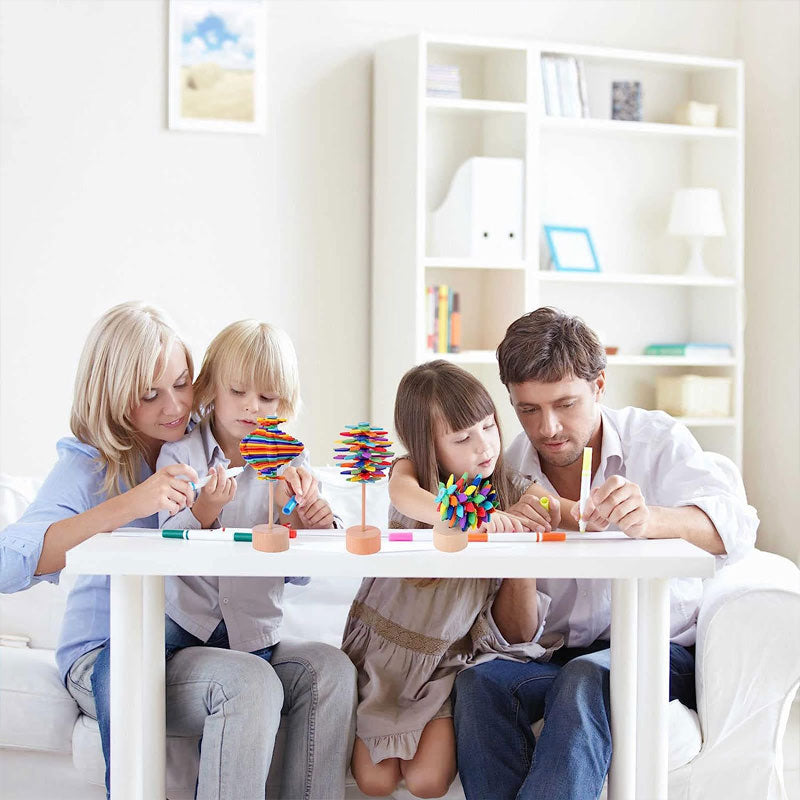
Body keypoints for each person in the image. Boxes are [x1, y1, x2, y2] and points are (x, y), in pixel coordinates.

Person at [453, 306, 759, 800]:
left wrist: (653, 518)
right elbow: (513, 634)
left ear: (599, 385)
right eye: (527, 409)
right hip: (554, 654)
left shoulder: (656, 441)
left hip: (658, 649)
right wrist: (520, 559)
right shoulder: (506, 471)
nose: (548, 427)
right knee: (479, 686)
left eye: (565, 403)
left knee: (583, 679)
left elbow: (738, 527)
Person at [1, 302, 290, 800]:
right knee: (247, 682)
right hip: (107, 649)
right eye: (149, 395)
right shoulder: (91, 464)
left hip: (197, 641)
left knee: (312, 671)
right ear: (113, 397)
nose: (174, 406)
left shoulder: (212, 445)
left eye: (182, 383)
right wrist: (129, 504)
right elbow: (9, 564)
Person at [156, 318, 356, 799]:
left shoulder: (292, 464)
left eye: (267, 398)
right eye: (238, 391)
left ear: (283, 404)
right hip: (183, 638)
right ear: (211, 390)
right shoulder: (180, 455)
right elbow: (165, 546)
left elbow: (303, 571)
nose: (252, 407)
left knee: (332, 669)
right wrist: (204, 511)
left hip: (254, 638)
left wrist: (315, 527)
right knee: (248, 683)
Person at [342, 360, 558, 799]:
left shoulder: (513, 487)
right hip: (384, 652)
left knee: (428, 781)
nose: (484, 446)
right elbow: (408, 498)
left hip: (445, 661)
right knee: (375, 781)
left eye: (488, 426)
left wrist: (596, 509)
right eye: (462, 438)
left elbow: (560, 511)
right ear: (429, 448)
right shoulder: (411, 477)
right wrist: (479, 519)